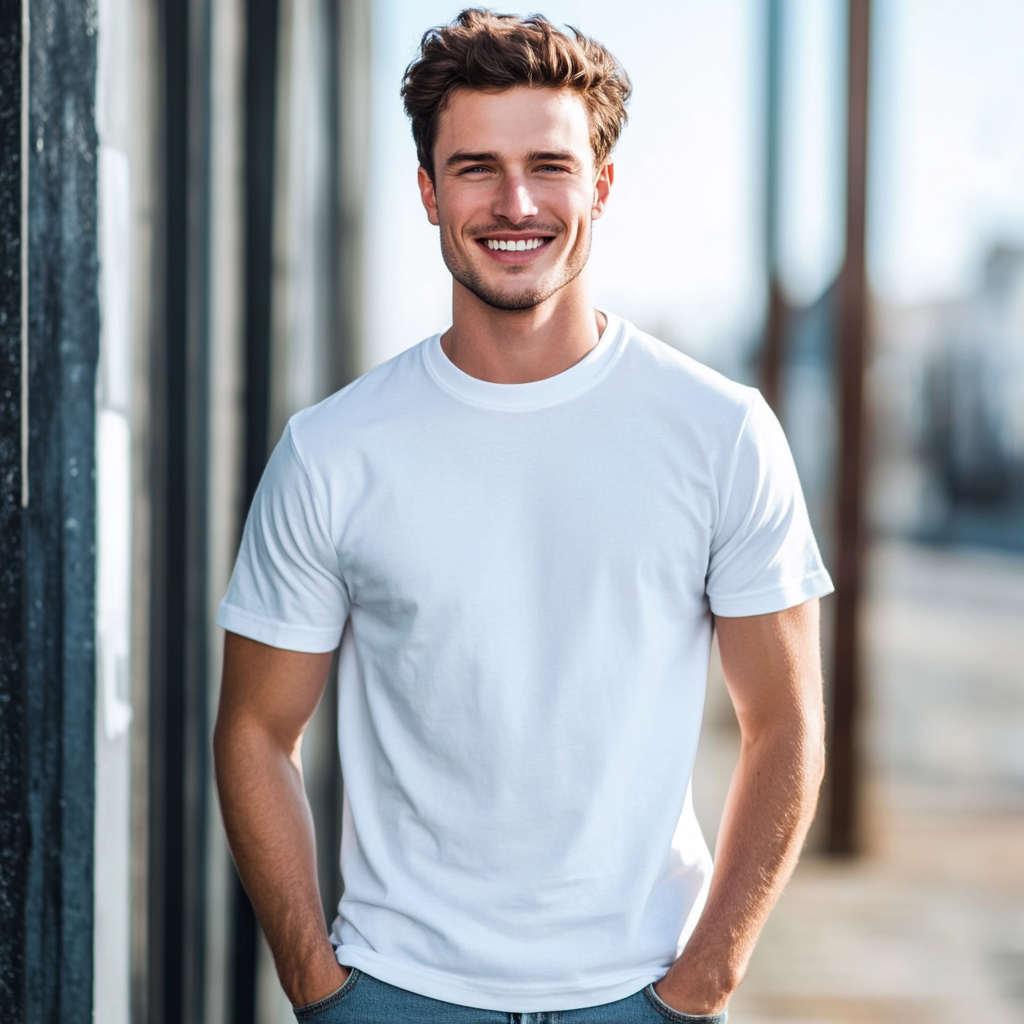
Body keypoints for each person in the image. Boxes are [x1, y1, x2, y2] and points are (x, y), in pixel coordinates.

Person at [213, 10, 833, 1023]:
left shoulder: (721, 433)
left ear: (601, 183)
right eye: (473, 168)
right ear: (426, 191)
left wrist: (704, 978)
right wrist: (315, 981)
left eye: (549, 164)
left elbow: (785, 724)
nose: (514, 203)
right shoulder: (333, 451)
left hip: (642, 993)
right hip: (394, 991)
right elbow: (253, 728)